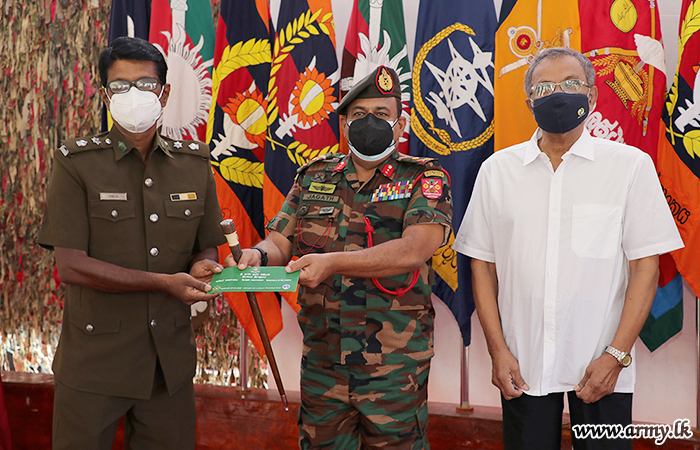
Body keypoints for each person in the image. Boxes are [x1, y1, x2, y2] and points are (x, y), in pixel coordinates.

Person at [453, 47, 684, 450]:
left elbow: (646, 268)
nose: (558, 94)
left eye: (571, 84)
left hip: (601, 364)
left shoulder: (630, 167)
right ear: (529, 103)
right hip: (522, 364)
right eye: (545, 87)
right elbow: (482, 266)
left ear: (592, 96)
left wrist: (616, 355)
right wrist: (498, 350)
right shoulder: (497, 172)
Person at [231, 65, 452, 449]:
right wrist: (255, 255)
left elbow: (415, 249)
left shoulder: (424, 178)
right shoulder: (313, 176)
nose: (370, 123)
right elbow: (280, 242)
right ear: (345, 126)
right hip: (323, 361)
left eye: (382, 115)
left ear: (400, 126)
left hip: (395, 369)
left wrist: (333, 263)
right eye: (359, 115)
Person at [37, 36, 226, 450]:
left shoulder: (194, 164)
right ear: (105, 95)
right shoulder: (75, 162)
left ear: (166, 92)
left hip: (168, 365)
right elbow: (70, 266)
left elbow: (207, 246)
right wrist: (163, 283)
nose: (134, 95)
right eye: (121, 86)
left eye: (145, 84)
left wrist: (203, 267)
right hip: (95, 364)